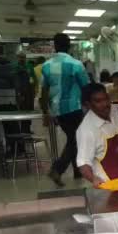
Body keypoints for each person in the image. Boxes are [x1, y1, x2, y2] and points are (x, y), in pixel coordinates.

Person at [41, 33, 90, 187]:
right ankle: (57, 169)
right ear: (69, 45)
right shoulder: (76, 64)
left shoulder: (46, 65)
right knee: (76, 140)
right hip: (75, 108)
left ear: (54, 45)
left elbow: (43, 91)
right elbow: (86, 87)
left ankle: (77, 171)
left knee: (72, 138)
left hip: (58, 110)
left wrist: (45, 112)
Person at [76, 83, 118, 187]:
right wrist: (93, 179)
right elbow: (83, 163)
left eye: (106, 99)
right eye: (98, 101)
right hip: (106, 184)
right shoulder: (87, 130)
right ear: (88, 104)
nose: (105, 104)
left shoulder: (113, 110)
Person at [14, 51, 35, 133]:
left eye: (23, 57)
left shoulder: (29, 66)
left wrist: (34, 89)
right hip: (20, 91)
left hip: (29, 91)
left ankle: (27, 129)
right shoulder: (15, 67)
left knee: (29, 109)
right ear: (17, 58)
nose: (22, 59)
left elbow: (33, 77)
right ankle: (22, 130)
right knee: (22, 110)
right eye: (20, 57)